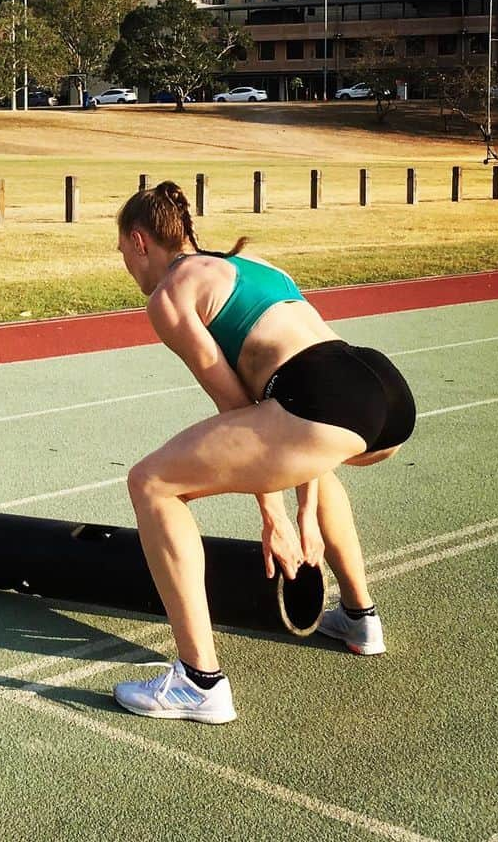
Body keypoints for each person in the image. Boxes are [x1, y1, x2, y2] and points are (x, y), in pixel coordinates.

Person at [111, 182, 415, 724]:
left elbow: (237, 408)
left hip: (321, 400)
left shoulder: (171, 296)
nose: (127, 268)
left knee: (151, 483)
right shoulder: (253, 262)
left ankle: (199, 681)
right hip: (384, 393)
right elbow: (294, 417)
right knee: (306, 448)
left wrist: (275, 518)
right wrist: (303, 510)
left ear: (140, 241)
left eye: (122, 253)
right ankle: (358, 616)